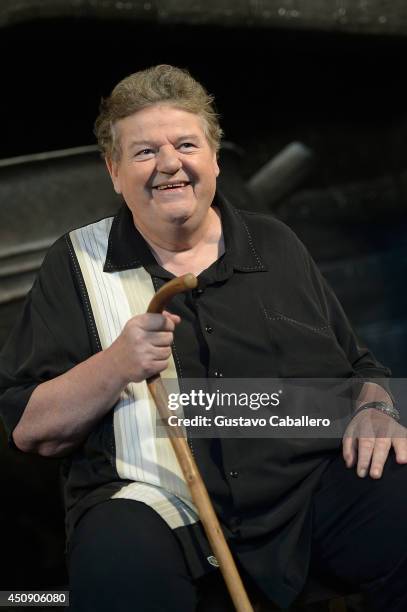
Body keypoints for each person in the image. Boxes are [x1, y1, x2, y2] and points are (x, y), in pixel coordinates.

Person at [0, 64, 406, 612]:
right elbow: (30, 430)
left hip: (303, 495)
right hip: (156, 508)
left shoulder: (275, 244)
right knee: (116, 569)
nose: (169, 162)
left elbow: (363, 373)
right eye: (144, 152)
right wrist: (116, 364)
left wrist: (380, 410)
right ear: (114, 171)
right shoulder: (76, 264)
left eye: (185, 144)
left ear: (214, 157)